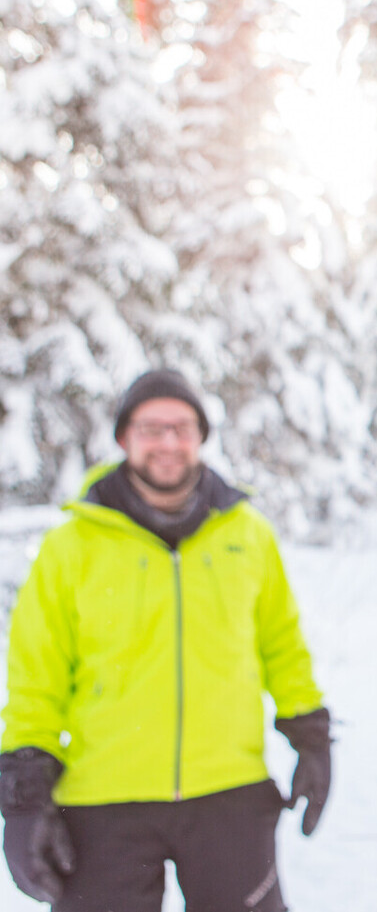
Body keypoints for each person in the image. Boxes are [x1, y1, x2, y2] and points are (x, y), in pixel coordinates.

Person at [0, 369, 332, 912]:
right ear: (123, 438)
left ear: (201, 435)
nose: (168, 442)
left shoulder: (247, 535)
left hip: (229, 792)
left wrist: (311, 737)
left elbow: (282, 645)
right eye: (151, 427)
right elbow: (36, 675)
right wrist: (23, 799)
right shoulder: (72, 546)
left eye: (182, 426)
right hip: (102, 802)